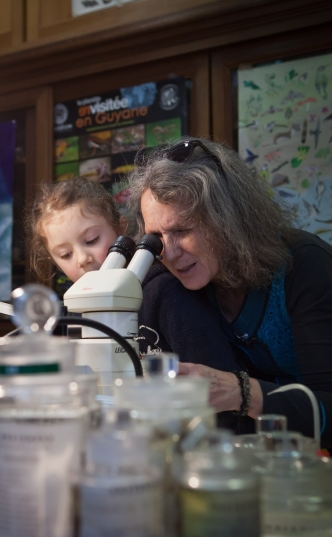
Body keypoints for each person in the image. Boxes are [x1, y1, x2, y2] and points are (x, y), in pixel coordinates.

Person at [127, 137, 332, 446]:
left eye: (182, 231)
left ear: (228, 220)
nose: (168, 253)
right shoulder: (178, 278)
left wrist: (241, 392)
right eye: (156, 237)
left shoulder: (304, 264)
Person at [27, 178, 241, 429]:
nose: (82, 259)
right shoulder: (74, 313)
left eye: (91, 240)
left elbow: (217, 386)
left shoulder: (165, 292)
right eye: (65, 255)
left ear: (121, 229)